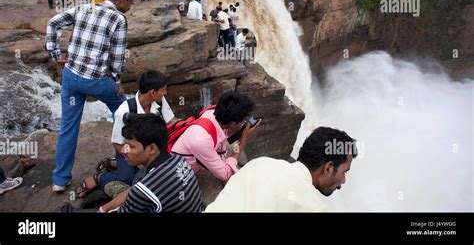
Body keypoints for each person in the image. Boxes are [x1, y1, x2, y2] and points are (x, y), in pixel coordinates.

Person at [45, 0, 135, 192]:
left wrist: (56, 55)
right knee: (124, 112)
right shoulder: (119, 19)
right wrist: (117, 81)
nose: (131, 6)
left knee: (68, 127)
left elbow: (53, 22)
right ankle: (126, 162)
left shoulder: (85, 7)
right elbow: (118, 56)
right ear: (121, 0)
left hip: (70, 76)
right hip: (95, 80)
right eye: (130, 2)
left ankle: (60, 180)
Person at [206, 127, 358, 212]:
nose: (343, 180)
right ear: (328, 168)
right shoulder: (314, 208)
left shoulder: (259, 163)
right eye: (344, 172)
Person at [76, 70, 175, 198]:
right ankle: (99, 178)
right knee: (127, 178)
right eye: (163, 90)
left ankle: (113, 163)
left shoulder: (160, 102)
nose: (165, 93)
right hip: (128, 150)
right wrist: (138, 158)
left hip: (151, 148)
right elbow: (117, 143)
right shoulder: (124, 111)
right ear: (152, 92)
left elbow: (169, 124)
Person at [103, 113, 205, 213]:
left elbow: (143, 191)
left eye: (131, 146)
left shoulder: (143, 191)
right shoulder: (178, 159)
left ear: (152, 148)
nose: (124, 150)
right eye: (125, 144)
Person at [171, 91, 260, 183]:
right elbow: (224, 175)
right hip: (177, 177)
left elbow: (221, 151)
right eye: (243, 120)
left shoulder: (214, 112)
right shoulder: (201, 140)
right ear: (233, 123)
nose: (244, 121)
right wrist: (243, 140)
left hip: (198, 155)